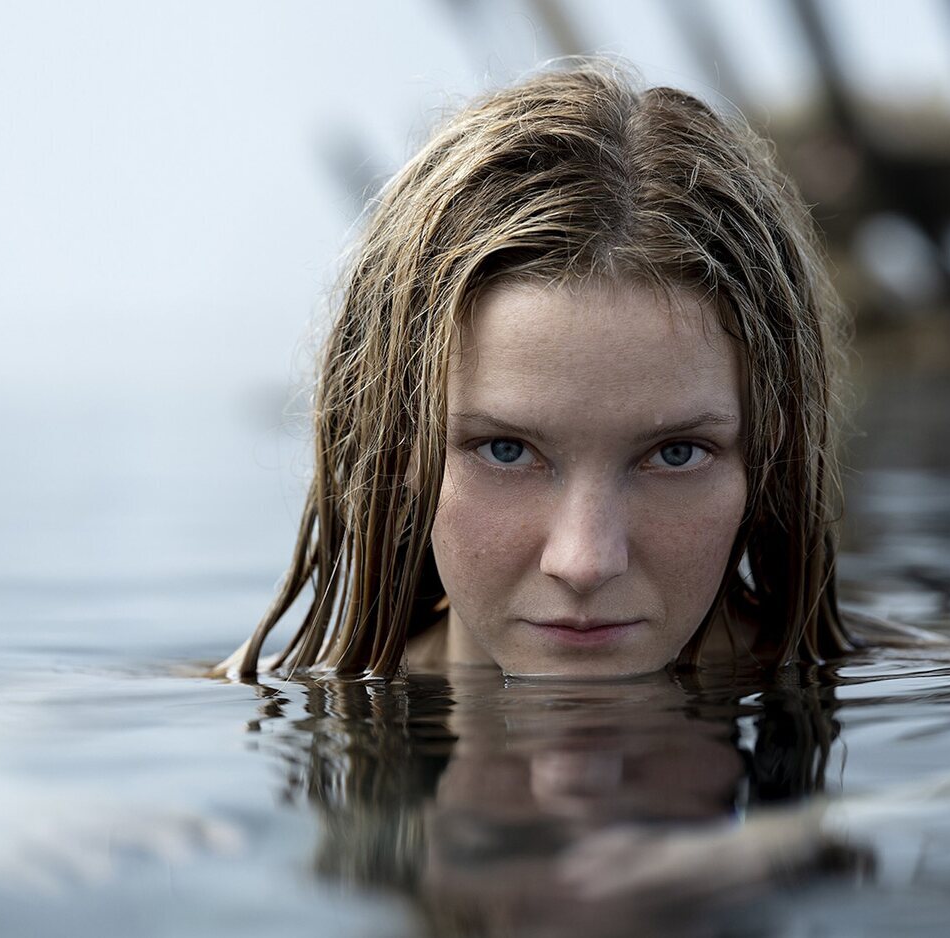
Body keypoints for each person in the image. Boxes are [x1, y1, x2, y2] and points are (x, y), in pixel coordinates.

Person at [215, 59, 858, 681]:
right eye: (505, 450)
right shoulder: (238, 709)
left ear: (769, 457)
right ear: (399, 448)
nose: (584, 563)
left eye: (678, 453)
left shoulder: (939, 699)